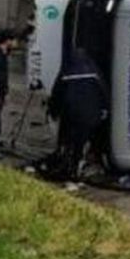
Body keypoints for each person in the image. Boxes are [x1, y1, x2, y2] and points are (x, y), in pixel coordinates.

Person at [47, 48, 108, 178]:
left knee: (70, 140)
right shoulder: (94, 71)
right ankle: (81, 163)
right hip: (91, 115)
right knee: (85, 140)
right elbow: (103, 91)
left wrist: (53, 111)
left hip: (71, 115)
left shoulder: (66, 72)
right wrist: (105, 109)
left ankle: (70, 165)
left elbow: (56, 94)